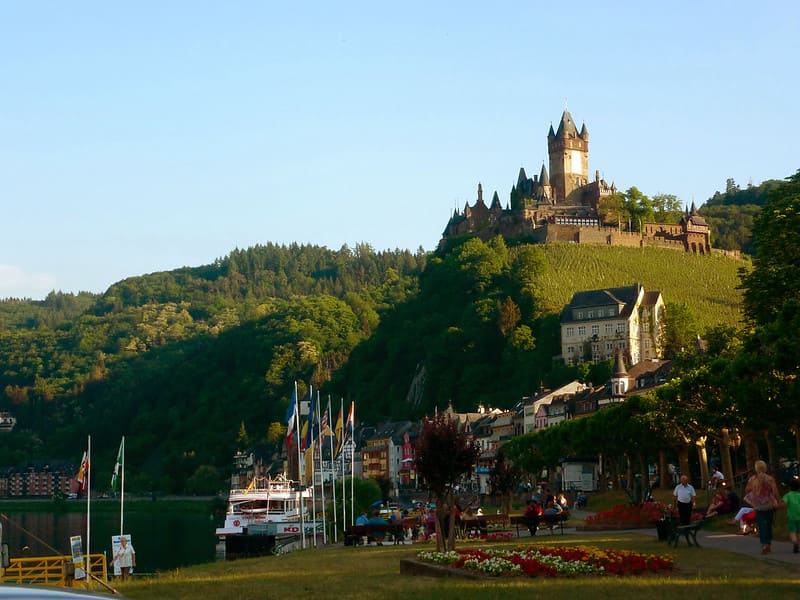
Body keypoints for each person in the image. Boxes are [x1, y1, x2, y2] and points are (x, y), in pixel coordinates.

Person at [745, 459, 780, 554]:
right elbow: (775, 491)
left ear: (756, 468)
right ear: (765, 468)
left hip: (758, 505)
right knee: (769, 524)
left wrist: (755, 493)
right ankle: (768, 543)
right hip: (769, 504)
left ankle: (764, 544)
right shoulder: (769, 478)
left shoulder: (752, 479)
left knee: (761, 525)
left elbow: (747, 490)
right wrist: (778, 501)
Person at [782, 478, 800, 553]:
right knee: (799, 531)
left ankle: (795, 542)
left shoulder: (788, 495)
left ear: (789, 487)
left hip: (791, 516)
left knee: (792, 531)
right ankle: (798, 543)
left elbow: (784, 503)